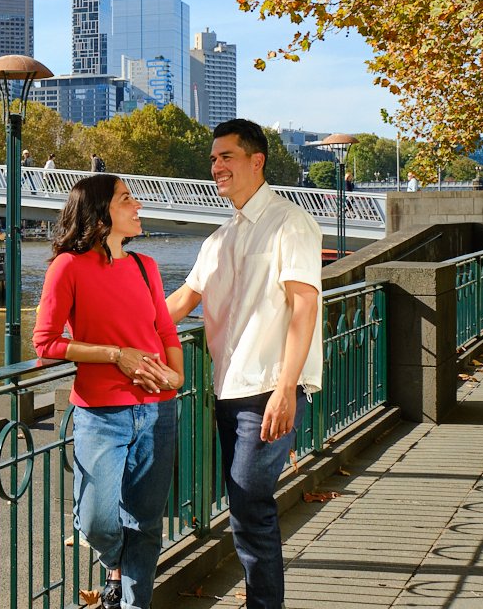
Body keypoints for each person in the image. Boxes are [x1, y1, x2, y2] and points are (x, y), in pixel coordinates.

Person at [166, 119, 322, 609]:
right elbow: (180, 303)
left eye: (226, 157)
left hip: (269, 390)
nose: (215, 167)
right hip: (227, 390)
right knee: (243, 504)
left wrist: (285, 387)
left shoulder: (290, 223)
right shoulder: (217, 239)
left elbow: (305, 306)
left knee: (250, 503)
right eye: (213, 159)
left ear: (257, 161)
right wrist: (103, 336)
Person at [33, 174, 183, 609]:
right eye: (126, 199)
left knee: (148, 522)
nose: (138, 206)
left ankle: (133, 603)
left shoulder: (145, 266)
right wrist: (117, 354)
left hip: (158, 411)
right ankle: (114, 562)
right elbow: (45, 343)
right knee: (97, 520)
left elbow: (165, 330)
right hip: (101, 414)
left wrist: (176, 378)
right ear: (100, 214)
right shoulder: (68, 267)